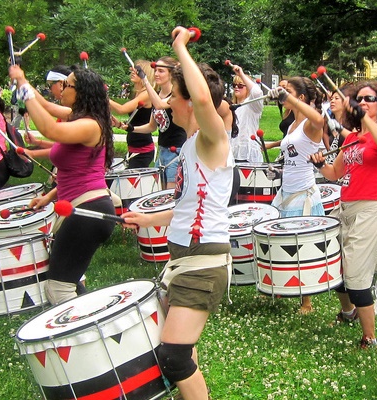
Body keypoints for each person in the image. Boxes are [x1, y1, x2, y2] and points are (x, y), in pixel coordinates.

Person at [122, 27, 233, 400]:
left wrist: (179, 47)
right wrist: (147, 221)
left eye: (175, 94)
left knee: (173, 355)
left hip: (204, 263)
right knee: (182, 349)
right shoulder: (187, 147)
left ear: (188, 101)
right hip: (183, 259)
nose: (168, 98)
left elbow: (202, 95)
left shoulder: (211, 139)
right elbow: (187, 206)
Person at [8, 64, 116, 305]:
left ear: (81, 92)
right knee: (70, 282)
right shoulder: (79, 117)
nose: (61, 89)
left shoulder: (90, 125)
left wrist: (23, 83)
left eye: (67, 85)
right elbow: (44, 106)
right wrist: (49, 197)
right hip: (83, 207)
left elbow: (49, 127)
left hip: (89, 211)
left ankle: (82, 338)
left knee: (59, 290)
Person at [310, 81, 377, 349]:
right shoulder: (350, 138)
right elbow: (336, 174)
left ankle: (369, 337)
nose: (363, 102)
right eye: (358, 99)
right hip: (345, 207)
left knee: (358, 278)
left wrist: (365, 121)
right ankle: (348, 312)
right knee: (337, 269)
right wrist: (321, 165)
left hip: (370, 209)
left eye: (369, 99)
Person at [268, 77, 325, 315]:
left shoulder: (312, 124)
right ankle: (285, 284)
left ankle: (307, 302)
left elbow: (319, 118)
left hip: (303, 194)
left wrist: (284, 97)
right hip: (286, 190)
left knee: (302, 247)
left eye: (288, 91)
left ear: (300, 98)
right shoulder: (292, 125)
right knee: (283, 241)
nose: (283, 94)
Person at [131, 56, 187, 189]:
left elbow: (160, 105)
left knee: (170, 196)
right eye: (155, 70)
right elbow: (151, 126)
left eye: (161, 71)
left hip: (176, 151)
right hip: (162, 151)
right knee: (158, 194)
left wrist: (145, 80)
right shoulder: (157, 94)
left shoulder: (176, 94)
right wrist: (130, 128)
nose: (156, 74)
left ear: (171, 73)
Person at [111, 59, 155, 168]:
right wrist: (119, 124)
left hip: (143, 150)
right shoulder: (136, 94)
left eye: (137, 71)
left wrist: (101, 96)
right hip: (133, 148)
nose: (133, 72)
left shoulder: (146, 94)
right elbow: (135, 122)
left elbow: (121, 109)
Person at [230, 63, 264, 162]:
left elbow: (257, 92)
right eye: (234, 85)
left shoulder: (252, 104)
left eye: (240, 85)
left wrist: (241, 74)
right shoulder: (231, 106)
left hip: (248, 155)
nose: (236, 87)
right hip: (232, 153)